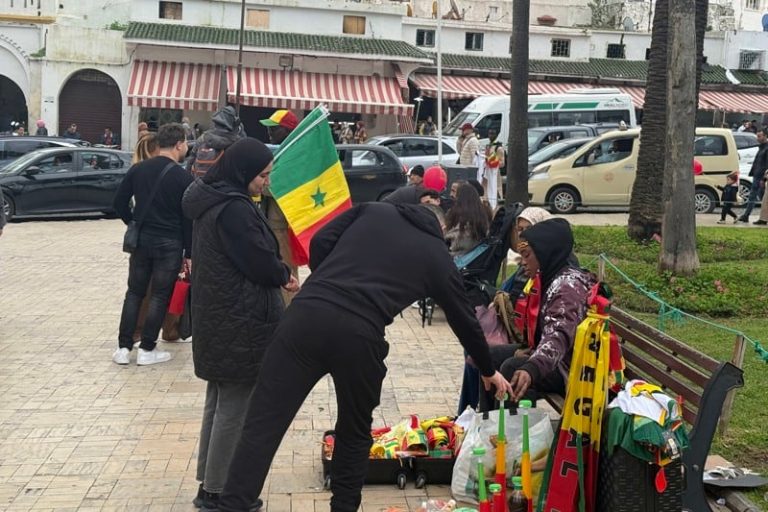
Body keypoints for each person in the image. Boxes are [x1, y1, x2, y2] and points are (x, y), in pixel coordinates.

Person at [215, 201, 512, 512]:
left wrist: (329, 280)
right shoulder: (436, 255)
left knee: (263, 422)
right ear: (441, 228)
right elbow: (464, 318)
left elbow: (320, 241)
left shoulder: (374, 210)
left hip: (304, 317)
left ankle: (234, 504)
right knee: (353, 432)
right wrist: (488, 369)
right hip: (359, 336)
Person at [182, 137, 300, 511]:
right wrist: (282, 273)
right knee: (234, 407)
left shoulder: (214, 198)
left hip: (221, 317)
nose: (266, 182)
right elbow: (258, 259)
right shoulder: (233, 208)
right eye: (263, 175)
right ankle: (220, 492)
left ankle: (210, 484)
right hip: (239, 321)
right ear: (244, 172)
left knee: (220, 401)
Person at [482, 219, 594, 407]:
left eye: (527, 255)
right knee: (488, 357)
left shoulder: (568, 287)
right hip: (554, 357)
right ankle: (487, 419)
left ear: (544, 253)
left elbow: (559, 335)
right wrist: (531, 350)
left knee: (513, 368)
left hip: (570, 367)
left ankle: (511, 425)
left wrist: (532, 366)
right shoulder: (548, 278)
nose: (523, 262)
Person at [112, 123, 193, 366]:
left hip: (142, 239)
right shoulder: (183, 177)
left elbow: (119, 203)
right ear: (178, 144)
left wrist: (133, 222)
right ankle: (147, 348)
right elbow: (188, 218)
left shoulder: (138, 169)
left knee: (134, 292)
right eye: (185, 143)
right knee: (159, 295)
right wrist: (189, 252)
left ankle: (124, 348)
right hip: (170, 242)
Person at [259, 109, 300, 305]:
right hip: (276, 223)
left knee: (286, 270)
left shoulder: (292, 156)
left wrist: (257, 179)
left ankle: (289, 312)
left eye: (274, 129)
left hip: (282, 224)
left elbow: (273, 188)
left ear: (288, 130)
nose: (270, 133)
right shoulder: (284, 152)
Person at [189, 106, 246, 177]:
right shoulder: (237, 142)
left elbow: (190, 161)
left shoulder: (203, 138)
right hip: (224, 182)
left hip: (200, 181)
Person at [444, 183, 489, 258]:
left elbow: (451, 240)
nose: (451, 195)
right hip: (476, 258)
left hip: (457, 258)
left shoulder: (455, 215)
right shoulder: (482, 215)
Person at [738, 128, 768, 223]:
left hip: (761, 177)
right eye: (757, 136)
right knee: (754, 196)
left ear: (765, 136)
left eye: (759, 136)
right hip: (757, 175)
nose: (757, 138)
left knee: (762, 198)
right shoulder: (762, 147)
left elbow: (766, 165)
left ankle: (760, 218)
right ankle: (747, 215)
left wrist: (764, 179)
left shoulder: (766, 148)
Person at [482, 128, 505, 208]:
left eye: (492, 134)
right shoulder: (488, 146)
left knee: (495, 189)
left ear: (496, 135)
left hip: (495, 173)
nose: (490, 136)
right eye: (489, 134)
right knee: (486, 190)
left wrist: (493, 162)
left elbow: (502, 163)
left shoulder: (498, 148)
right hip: (487, 172)